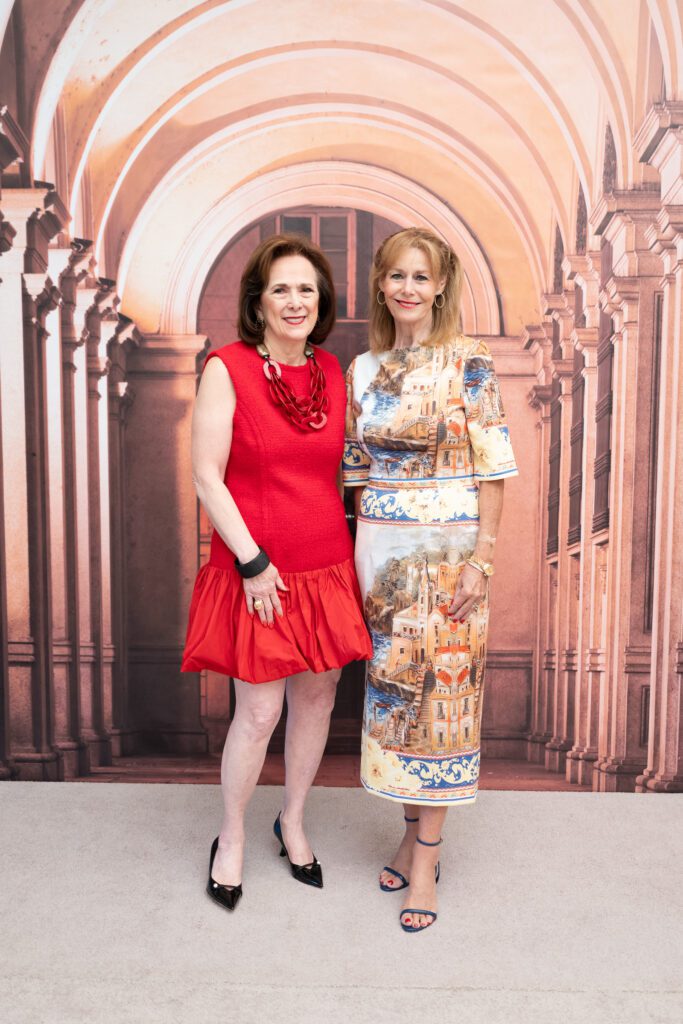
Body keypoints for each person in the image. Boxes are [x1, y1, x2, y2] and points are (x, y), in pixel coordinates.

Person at [182, 234, 372, 911]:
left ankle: (291, 819)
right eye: (281, 289)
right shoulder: (225, 367)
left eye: (307, 290)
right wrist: (253, 561)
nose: (295, 301)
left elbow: (346, 471)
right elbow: (207, 476)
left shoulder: (332, 370)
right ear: (257, 302)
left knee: (317, 698)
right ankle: (229, 836)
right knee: (259, 710)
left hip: (326, 562)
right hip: (256, 567)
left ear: (320, 304)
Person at [343, 227, 518, 933]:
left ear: (440, 284)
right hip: (380, 554)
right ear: (381, 284)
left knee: (442, 696)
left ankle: (425, 863)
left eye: (421, 276)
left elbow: (494, 466)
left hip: (450, 556)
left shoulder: (469, 361)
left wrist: (481, 559)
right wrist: (364, 558)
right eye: (396, 275)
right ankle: (407, 834)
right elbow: (355, 474)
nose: (408, 287)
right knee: (398, 697)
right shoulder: (361, 367)